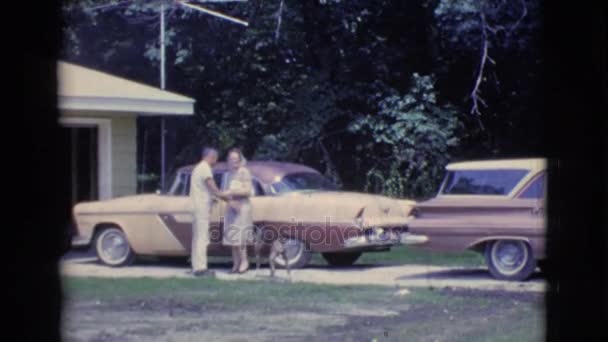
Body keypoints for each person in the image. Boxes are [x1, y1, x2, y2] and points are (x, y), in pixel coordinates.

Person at [189, 147, 227, 276]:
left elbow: (204, 189)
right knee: (202, 238)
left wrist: (213, 197)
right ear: (211, 156)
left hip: (196, 207)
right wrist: (225, 197)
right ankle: (201, 268)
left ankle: (196, 266)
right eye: (215, 158)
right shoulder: (205, 168)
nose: (216, 161)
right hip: (201, 208)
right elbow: (212, 186)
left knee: (197, 237)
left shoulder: (198, 168)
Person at [221, 148, 255, 274]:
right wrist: (226, 197)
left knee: (240, 236)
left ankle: (244, 262)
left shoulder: (244, 172)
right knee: (232, 237)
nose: (233, 161)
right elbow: (223, 191)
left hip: (242, 207)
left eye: (235, 159)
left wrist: (231, 192)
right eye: (230, 159)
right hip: (231, 206)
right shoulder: (228, 174)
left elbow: (248, 190)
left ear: (240, 160)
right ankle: (235, 263)